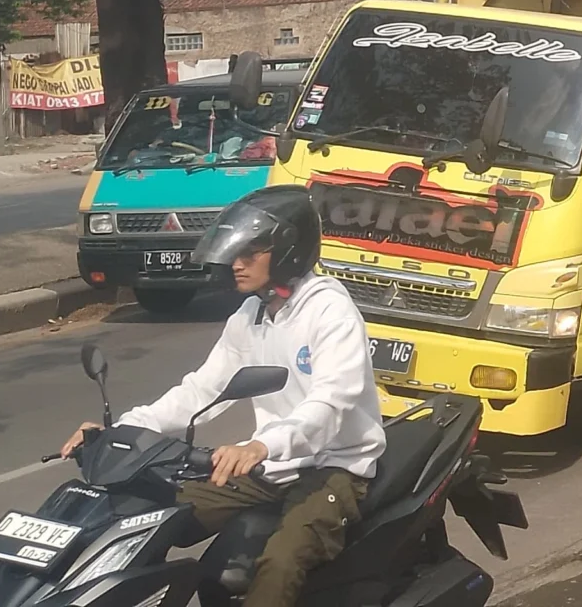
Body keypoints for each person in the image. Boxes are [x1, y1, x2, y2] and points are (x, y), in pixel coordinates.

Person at [60, 187, 384, 607]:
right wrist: (118, 430)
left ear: (288, 250)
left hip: (334, 468)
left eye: (252, 252)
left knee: (280, 563)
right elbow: (200, 390)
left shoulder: (329, 311)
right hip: (269, 469)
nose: (238, 262)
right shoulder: (250, 316)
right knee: (150, 516)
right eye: (236, 252)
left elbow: (330, 404)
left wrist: (262, 444)